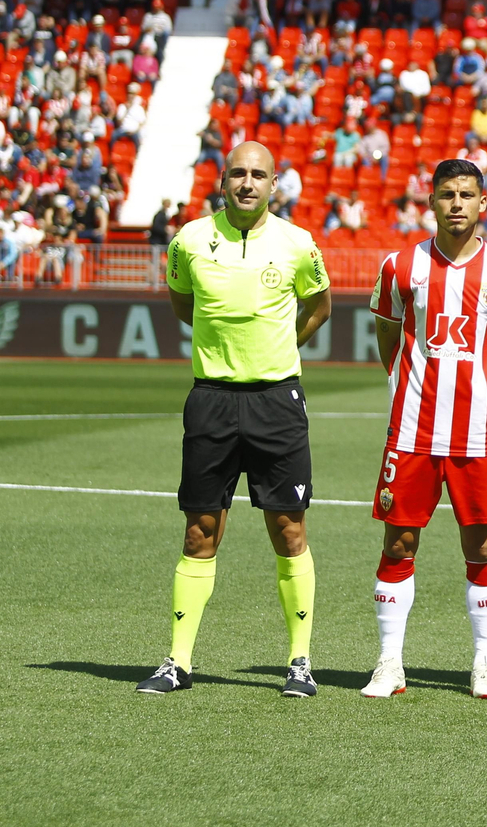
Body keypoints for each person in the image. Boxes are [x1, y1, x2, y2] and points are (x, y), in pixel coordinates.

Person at [136, 142, 333, 697]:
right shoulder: (190, 240)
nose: (248, 183)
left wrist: (279, 346)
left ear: (275, 184)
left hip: (277, 401)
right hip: (211, 402)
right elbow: (182, 302)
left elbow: (319, 305)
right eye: (238, 173)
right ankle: (177, 662)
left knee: (288, 529)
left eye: (259, 175)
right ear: (223, 181)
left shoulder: (298, 243)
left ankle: (299, 661)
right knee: (200, 531)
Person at [362, 159, 487, 701]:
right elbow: (388, 334)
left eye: (467, 195)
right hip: (412, 430)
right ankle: (389, 663)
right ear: (430, 202)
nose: (457, 203)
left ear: (484, 204)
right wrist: (407, 383)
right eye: (447, 194)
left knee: (481, 546)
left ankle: (485, 663)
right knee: (399, 541)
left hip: (478, 434)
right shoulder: (399, 266)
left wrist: (482, 381)